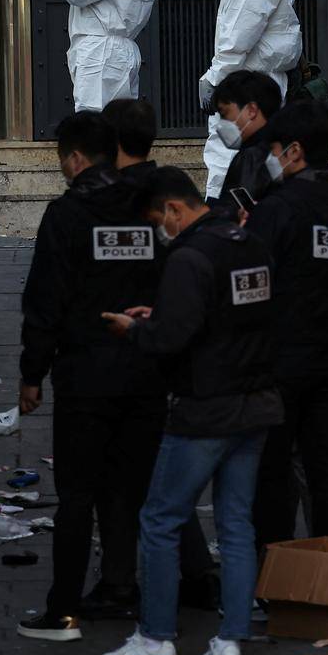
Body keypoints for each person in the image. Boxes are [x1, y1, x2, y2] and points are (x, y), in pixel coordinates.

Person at [98, 168, 282, 655]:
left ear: (174, 210)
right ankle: (231, 640)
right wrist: (161, 314)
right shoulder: (249, 243)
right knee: (237, 524)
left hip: (206, 407)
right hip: (258, 400)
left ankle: (156, 635)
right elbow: (226, 314)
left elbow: (171, 339)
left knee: (160, 519)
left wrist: (134, 329)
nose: (162, 230)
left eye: (161, 220)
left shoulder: (189, 256)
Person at [16, 112, 165, 640]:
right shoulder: (150, 207)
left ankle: (63, 607)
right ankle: (123, 587)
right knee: (129, 489)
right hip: (146, 370)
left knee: (77, 494)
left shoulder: (68, 214)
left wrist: (32, 373)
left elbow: (45, 300)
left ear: (75, 158)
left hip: (85, 375)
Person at [99, 97, 224, 608]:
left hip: (139, 353)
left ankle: (138, 601)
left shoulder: (109, 202)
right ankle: (204, 583)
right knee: (178, 488)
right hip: (191, 368)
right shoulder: (199, 217)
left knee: (139, 488)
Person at [243, 100, 328, 549]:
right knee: (324, 463)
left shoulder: (278, 207)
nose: (272, 159)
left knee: (273, 466)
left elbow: (253, 277)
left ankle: (275, 571)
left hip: (283, 354)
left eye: (276, 149)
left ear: (294, 151)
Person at [198, 0, 302, 199]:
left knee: (225, 156)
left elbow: (234, 45)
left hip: (244, 86)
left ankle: (221, 218)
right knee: (262, 159)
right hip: (263, 83)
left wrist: (212, 79)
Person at [213, 70, 284, 211]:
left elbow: (235, 209)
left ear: (251, 110)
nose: (222, 123)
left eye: (224, 113)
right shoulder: (285, 149)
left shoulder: (251, 156)